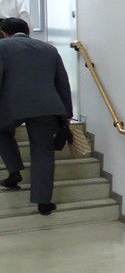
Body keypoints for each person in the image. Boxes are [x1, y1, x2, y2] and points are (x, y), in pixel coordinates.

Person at [0, 17, 73, 215]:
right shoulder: (49, 49)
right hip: (46, 108)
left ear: (4, 33)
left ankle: (14, 171)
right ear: (28, 31)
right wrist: (67, 113)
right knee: (43, 152)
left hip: (12, 107)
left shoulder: (2, 46)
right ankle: (43, 202)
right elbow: (62, 81)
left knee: (2, 132)